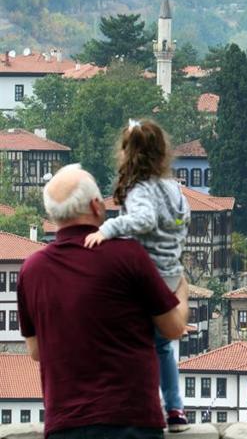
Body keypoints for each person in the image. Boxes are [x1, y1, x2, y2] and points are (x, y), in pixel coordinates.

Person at [17, 164, 189, 439]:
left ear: (52, 215)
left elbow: (36, 351)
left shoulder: (32, 269)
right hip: (131, 422)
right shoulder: (128, 255)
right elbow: (173, 328)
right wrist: (180, 285)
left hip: (65, 424)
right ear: (97, 206)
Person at [84, 119, 191, 432]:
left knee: (133, 342)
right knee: (162, 347)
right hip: (170, 274)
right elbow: (182, 218)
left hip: (146, 277)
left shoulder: (140, 189)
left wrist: (108, 229)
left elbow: (143, 220)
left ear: (127, 154)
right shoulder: (173, 188)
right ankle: (175, 410)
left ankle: (140, 407)